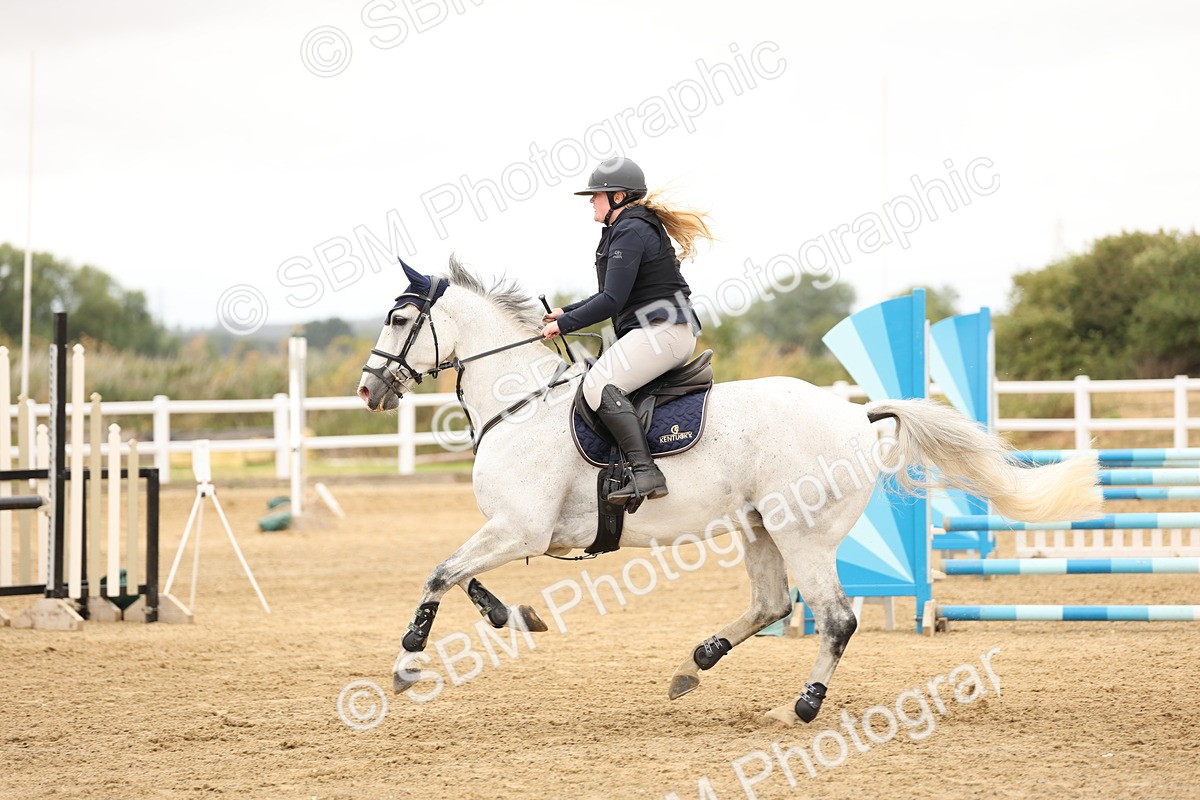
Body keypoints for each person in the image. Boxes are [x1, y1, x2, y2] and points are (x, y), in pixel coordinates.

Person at [541, 156, 713, 503]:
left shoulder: (631, 230)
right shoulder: (628, 228)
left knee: (599, 385)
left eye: (597, 194)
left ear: (618, 197)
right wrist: (566, 311)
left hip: (662, 331)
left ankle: (646, 472)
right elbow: (611, 295)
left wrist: (564, 325)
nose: (591, 200)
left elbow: (611, 301)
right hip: (659, 331)